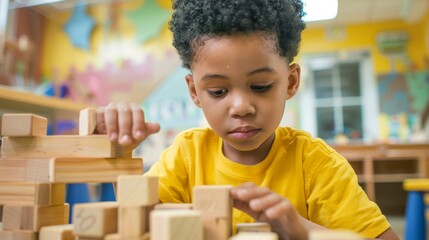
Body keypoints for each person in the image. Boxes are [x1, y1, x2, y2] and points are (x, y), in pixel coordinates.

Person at [95, 0, 399, 239]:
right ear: (195, 92)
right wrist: (118, 155)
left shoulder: (316, 164)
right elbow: (138, 221)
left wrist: (304, 231)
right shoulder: (186, 155)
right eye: (217, 91)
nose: (241, 107)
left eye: (260, 86)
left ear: (291, 82)